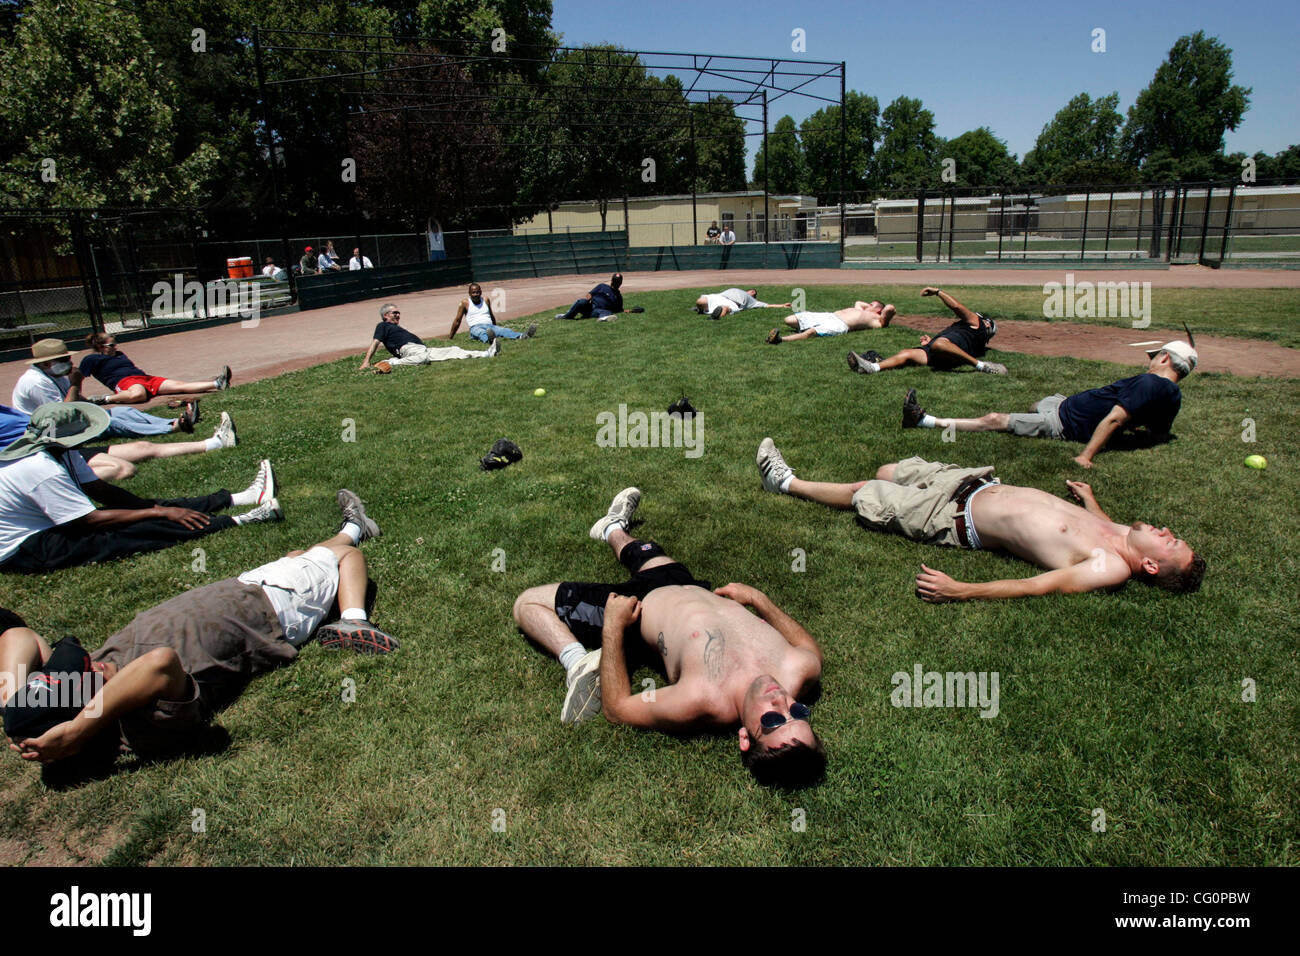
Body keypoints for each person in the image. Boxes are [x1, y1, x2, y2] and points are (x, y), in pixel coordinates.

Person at [1, 491, 397, 774]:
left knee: (300, 556)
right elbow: (161, 663)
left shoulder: (90, 691)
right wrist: (77, 729)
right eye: (89, 678)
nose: (97, 665)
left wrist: (12, 700)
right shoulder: (138, 725)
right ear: (83, 718)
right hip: (270, 611)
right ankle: (354, 616)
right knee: (345, 557)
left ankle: (353, 526)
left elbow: (18, 637)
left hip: (245, 590)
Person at [512, 488, 826, 788]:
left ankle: (577, 660)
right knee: (646, 553)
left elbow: (618, 709)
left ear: (745, 737)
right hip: (688, 587)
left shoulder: (703, 699)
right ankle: (610, 528)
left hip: (635, 609)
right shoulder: (799, 670)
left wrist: (613, 627)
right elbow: (809, 648)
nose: (781, 701)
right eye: (798, 713)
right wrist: (760, 600)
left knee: (527, 603)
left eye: (772, 720)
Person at [755, 437, 1205, 601]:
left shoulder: (1108, 568)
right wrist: (1090, 500)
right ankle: (800, 483)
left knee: (865, 493)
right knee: (888, 470)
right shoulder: (1124, 534)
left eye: (1171, 543)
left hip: (951, 517)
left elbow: (1035, 586)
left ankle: (786, 483)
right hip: (973, 482)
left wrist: (962, 590)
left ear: (1148, 566)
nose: (1167, 532)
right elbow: (1108, 525)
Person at [0, 403, 281, 575]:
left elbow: (105, 493)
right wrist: (158, 514)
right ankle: (239, 519)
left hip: (48, 526)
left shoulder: (61, 452)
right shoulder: (39, 468)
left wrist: (153, 507)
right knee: (127, 533)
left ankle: (237, 498)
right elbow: (86, 521)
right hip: (24, 548)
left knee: (149, 508)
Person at [900, 340, 1197, 470]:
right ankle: (1032, 418)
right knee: (1036, 404)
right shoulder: (1173, 395)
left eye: (1154, 355)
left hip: (1061, 424)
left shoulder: (1151, 384)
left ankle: (925, 420)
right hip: (1062, 404)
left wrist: (1086, 456)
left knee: (995, 419)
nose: (1150, 360)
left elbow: (1115, 420)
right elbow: (1158, 433)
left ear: (1165, 358)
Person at [846, 287, 1006, 375]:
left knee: (939, 344)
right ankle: (872, 368)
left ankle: (982, 366)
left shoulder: (976, 323)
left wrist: (938, 292)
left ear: (987, 325)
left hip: (942, 348)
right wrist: (930, 342)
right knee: (906, 353)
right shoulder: (976, 339)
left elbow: (957, 307)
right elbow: (957, 342)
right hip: (943, 353)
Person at [79, 333, 232, 406]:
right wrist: (77, 397)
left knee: (180, 386)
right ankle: (103, 399)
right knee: (139, 395)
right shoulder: (91, 359)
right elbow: (78, 377)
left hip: (145, 378)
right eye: (111, 345)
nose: (116, 347)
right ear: (100, 347)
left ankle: (217, 383)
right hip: (126, 382)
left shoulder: (118, 355)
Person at [359, 302, 498, 372]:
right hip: (408, 350)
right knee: (423, 358)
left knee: (454, 350)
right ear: (386, 316)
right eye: (394, 313)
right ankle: (392, 362)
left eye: (398, 313)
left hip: (421, 348)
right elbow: (375, 343)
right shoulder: (382, 326)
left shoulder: (398, 327)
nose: (398, 315)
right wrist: (366, 362)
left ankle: (487, 353)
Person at [766, 299, 896, 344]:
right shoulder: (861, 309)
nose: (868, 305)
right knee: (788, 320)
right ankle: (802, 329)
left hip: (840, 325)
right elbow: (858, 303)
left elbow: (890, 308)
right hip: (829, 316)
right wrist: (870, 306)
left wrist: (879, 310)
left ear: (879, 310)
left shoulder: (877, 321)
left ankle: (780, 340)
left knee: (811, 332)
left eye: (872, 304)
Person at [449, 283, 537, 344]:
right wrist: (451, 337)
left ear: (481, 292)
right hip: (475, 327)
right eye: (473, 292)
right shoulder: (465, 303)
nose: (476, 294)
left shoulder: (486, 300)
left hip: (490, 326)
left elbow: (491, 315)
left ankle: (523, 336)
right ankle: (491, 341)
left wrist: (495, 327)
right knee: (481, 333)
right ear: (469, 293)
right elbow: (457, 321)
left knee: (504, 330)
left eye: (478, 292)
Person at [553, 274, 642, 321]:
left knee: (607, 311)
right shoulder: (602, 286)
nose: (616, 283)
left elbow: (619, 310)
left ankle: (603, 318)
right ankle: (566, 316)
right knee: (581, 301)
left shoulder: (618, 297)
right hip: (590, 306)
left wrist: (631, 311)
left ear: (620, 283)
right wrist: (588, 300)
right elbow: (589, 294)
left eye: (618, 282)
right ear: (611, 281)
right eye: (615, 281)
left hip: (597, 311)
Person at [693, 288, 792, 320]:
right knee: (700, 301)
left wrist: (782, 305)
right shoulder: (738, 290)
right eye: (752, 291)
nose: (753, 292)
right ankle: (702, 309)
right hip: (720, 296)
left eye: (754, 292)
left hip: (733, 304)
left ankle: (714, 318)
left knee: (725, 308)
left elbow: (767, 305)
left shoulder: (753, 302)